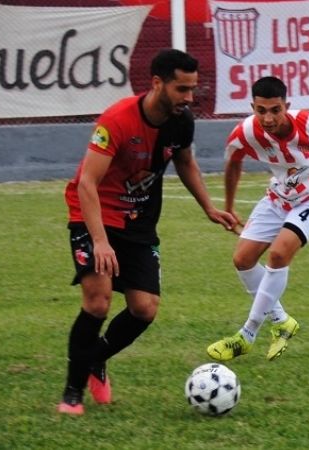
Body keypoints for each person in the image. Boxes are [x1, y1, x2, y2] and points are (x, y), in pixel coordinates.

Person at [58, 48, 237, 415]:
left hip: (138, 221)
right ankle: (72, 394)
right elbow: (87, 184)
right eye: (181, 89)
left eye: (192, 90)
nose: (189, 98)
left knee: (145, 309)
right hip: (93, 214)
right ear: (157, 83)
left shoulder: (181, 120)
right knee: (98, 300)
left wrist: (208, 207)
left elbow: (185, 162)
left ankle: (96, 359)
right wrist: (100, 241)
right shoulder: (117, 121)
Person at [206, 76, 309, 362]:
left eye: (275, 110)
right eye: (261, 110)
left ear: (286, 106)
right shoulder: (245, 132)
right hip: (280, 196)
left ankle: (247, 334)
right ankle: (282, 322)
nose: (268, 118)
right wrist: (228, 206)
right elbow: (234, 164)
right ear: (252, 106)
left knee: (278, 254)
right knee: (243, 259)